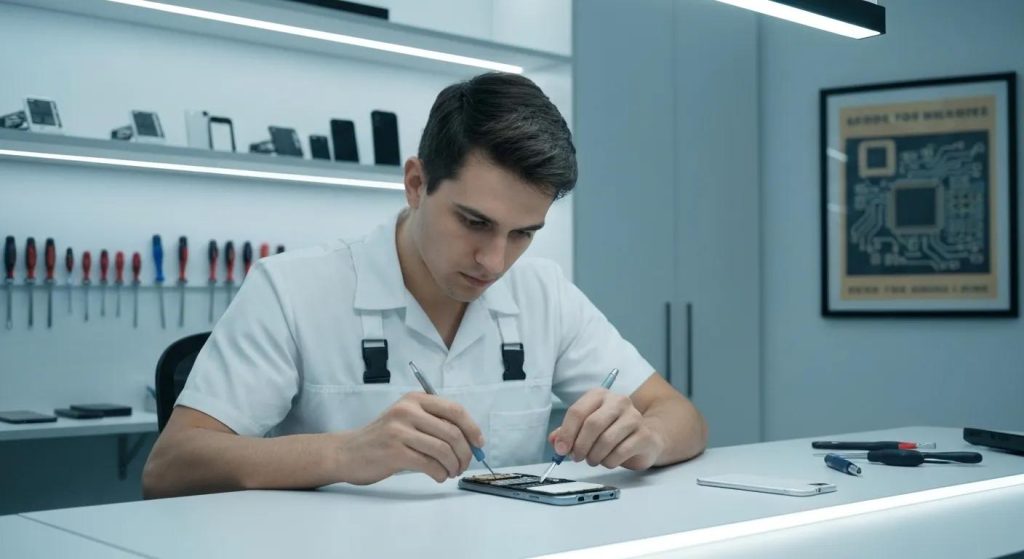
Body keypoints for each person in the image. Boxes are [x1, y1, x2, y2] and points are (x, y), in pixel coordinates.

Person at [142, 72, 706, 498]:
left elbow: (682, 417)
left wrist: (646, 438)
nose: (494, 260)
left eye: (523, 233)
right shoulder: (291, 289)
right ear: (416, 183)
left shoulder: (543, 294)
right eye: (474, 222)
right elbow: (170, 468)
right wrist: (345, 453)